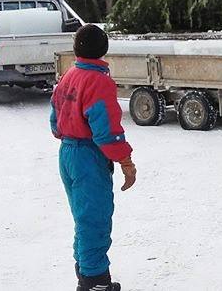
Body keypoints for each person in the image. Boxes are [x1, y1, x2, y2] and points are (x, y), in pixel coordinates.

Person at [50, 24, 136, 291]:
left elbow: (54, 120)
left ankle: (86, 272)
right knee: (95, 219)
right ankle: (95, 282)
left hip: (68, 153)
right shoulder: (99, 81)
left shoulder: (69, 75)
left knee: (84, 218)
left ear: (76, 48)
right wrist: (126, 161)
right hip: (88, 156)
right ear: (104, 50)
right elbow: (107, 132)